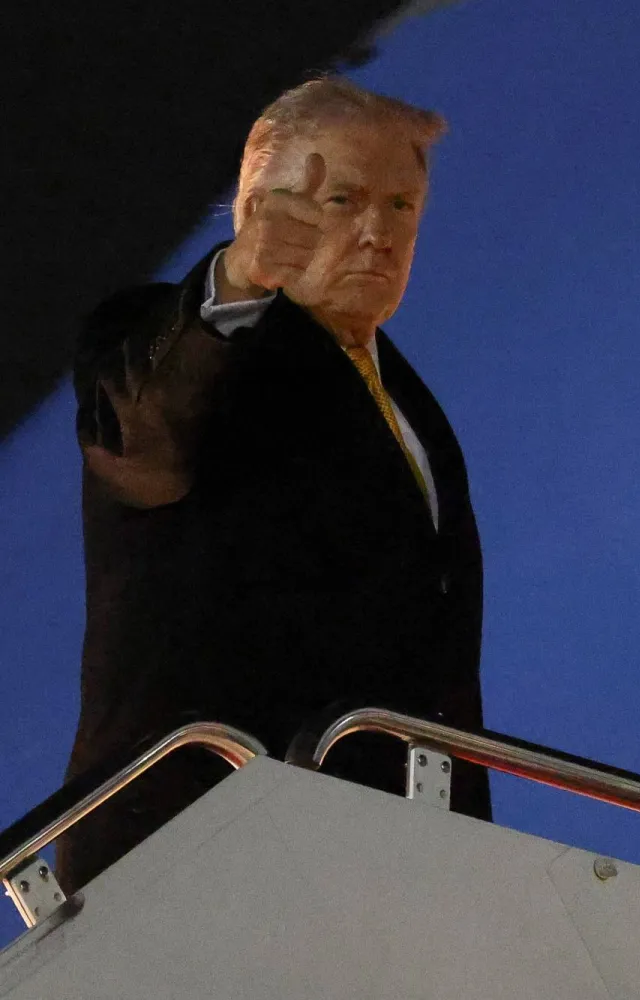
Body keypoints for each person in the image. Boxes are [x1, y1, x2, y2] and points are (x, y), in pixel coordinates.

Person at [58, 77, 491, 892]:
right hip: (205, 843)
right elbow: (141, 447)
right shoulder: (171, 338)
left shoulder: (410, 401)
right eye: (342, 198)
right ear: (259, 203)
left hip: (405, 864)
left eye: (401, 206)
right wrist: (236, 285)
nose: (377, 232)